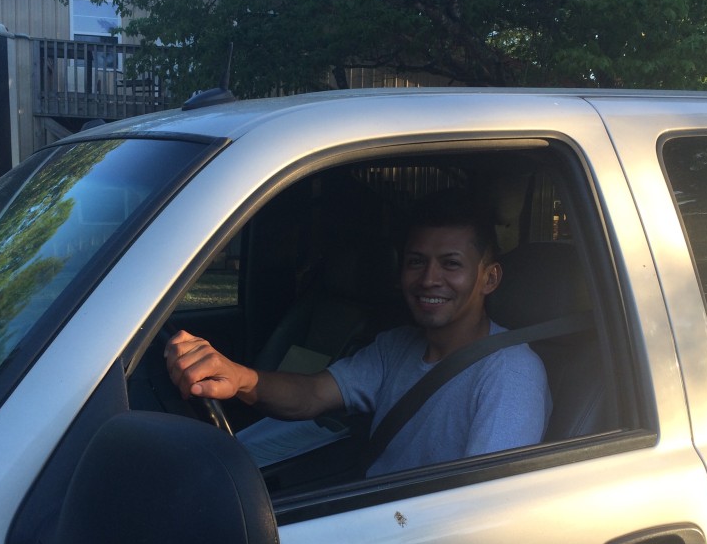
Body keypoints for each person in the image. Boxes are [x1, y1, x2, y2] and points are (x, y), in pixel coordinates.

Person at [165, 189, 551, 476]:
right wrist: (239, 378)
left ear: (489, 278)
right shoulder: (396, 346)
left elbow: (486, 507)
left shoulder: (509, 373)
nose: (429, 279)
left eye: (451, 264)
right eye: (416, 262)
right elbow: (311, 395)